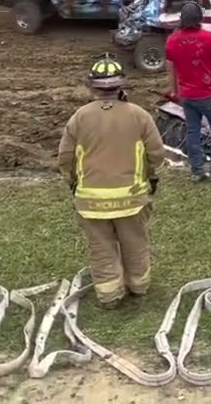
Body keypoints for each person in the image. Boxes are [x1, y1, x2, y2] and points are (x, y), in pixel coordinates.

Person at [58, 57, 165, 308]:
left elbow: (65, 158)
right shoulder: (139, 116)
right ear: (121, 86)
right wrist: (151, 177)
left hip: (91, 202)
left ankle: (109, 295)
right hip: (132, 199)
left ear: (92, 87)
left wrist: (73, 182)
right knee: (135, 242)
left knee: (101, 247)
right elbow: (157, 154)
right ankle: (138, 286)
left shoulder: (79, 117)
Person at [165, 1, 211, 182]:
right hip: (209, 93)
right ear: (199, 18)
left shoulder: (172, 41)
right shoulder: (210, 38)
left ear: (181, 20)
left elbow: (170, 68)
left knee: (192, 131)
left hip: (187, 95)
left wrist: (174, 91)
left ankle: (196, 172)